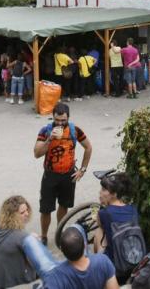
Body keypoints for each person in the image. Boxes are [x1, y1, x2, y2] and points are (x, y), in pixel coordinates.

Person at [34, 103, 92, 245]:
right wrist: (49, 140)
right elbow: (36, 153)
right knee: (46, 209)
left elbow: (88, 147)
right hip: (50, 175)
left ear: (68, 118)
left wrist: (82, 170)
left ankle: (60, 232)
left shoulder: (74, 130)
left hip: (68, 175)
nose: (60, 123)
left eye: (63, 120)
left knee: (63, 206)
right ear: (52, 117)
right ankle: (44, 236)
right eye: (57, 120)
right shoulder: (46, 131)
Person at [93, 172, 141, 284]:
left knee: (99, 232)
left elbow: (100, 225)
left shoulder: (104, 213)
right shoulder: (133, 209)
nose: (100, 193)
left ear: (114, 194)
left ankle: (97, 268)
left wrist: (103, 208)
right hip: (135, 263)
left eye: (104, 190)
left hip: (116, 269)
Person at [40, 227, 118, 289]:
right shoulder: (103, 261)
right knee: (77, 227)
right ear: (85, 246)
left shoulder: (55, 278)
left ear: (62, 250)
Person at [0, 196, 38, 288]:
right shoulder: (21, 237)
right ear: (12, 216)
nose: (27, 213)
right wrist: (33, 240)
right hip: (11, 283)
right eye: (22, 212)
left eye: (27, 210)